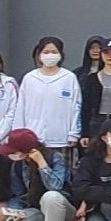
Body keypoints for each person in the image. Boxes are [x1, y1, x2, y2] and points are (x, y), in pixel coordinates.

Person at [0, 127, 75, 221]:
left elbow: (55, 186)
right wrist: (14, 211)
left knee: (51, 196)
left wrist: (41, 163)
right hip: (35, 209)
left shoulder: (54, 157)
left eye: (14, 151)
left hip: (61, 209)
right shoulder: (17, 165)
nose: (11, 154)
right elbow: (18, 194)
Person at [14, 36, 82, 165]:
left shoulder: (69, 78)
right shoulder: (30, 78)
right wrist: (18, 134)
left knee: (60, 174)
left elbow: (76, 107)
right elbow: (20, 108)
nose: (50, 55)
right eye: (46, 52)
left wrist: (74, 133)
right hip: (33, 138)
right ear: (39, 55)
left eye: (54, 52)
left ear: (60, 55)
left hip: (61, 138)